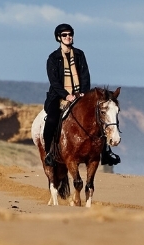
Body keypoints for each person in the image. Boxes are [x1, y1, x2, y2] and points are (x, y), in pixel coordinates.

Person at [42, 23, 120, 167]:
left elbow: (85, 75)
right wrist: (66, 95)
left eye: (70, 34)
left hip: (80, 95)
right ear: (59, 38)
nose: (68, 37)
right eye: (64, 35)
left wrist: (83, 93)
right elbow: (54, 82)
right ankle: (49, 152)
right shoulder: (53, 58)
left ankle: (106, 152)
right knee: (52, 120)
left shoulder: (79, 54)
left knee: (98, 118)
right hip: (59, 96)